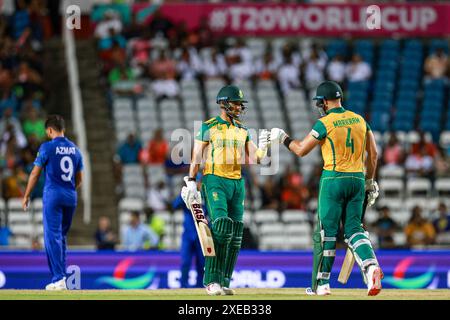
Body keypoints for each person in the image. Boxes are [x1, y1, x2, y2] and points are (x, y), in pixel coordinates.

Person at [269, 80, 382, 296]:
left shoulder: (325, 122)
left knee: (326, 233)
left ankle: (321, 285)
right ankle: (370, 267)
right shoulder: (359, 119)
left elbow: (301, 150)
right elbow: (374, 153)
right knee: (354, 230)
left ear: (324, 102)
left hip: (333, 178)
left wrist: (283, 138)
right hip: (358, 179)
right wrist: (370, 180)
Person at [183, 84, 269, 295]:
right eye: (236, 103)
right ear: (224, 103)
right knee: (221, 227)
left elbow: (256, 158)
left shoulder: (242, 130)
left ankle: (224, 281)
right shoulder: (209, 126)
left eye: (241, 104)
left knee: (236, 233)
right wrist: (192, 180)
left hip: (237, 182)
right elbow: (197, 155)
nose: (239, 107)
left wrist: (266, 144)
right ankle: (211, 280)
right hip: (214, 180)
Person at [21, 115, 84, 290]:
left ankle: (58, 279)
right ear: (63, 129)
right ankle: (62, 277)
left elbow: (35, 173)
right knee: (61, 237)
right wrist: (68, 190)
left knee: (51, 237)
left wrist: (26, 195)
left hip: (53, 196)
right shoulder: (75, 149)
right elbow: (79, 179)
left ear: (49, 130)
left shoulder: (47, 147)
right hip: (71, 196)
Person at [173, 176, 206, 288]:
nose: (198, 184)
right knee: (185, 262)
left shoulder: (205, 196)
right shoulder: (187, 194)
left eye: (199, 181)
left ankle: (200, 287)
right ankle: (183, 287)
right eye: (195, 182)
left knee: (201, 263)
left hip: (201, 235)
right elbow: (175, 205)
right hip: (188, 235)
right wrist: (184, 194)